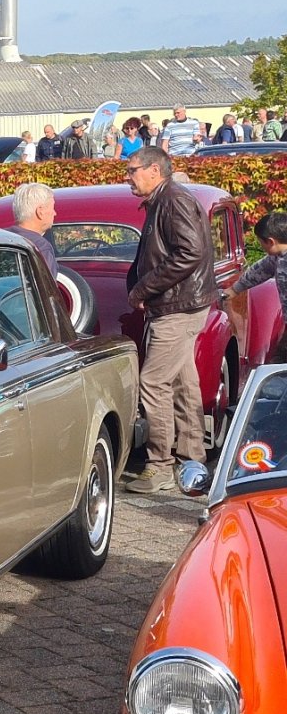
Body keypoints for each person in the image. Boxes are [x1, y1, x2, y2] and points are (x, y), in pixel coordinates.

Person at [123, 146, 214, 493]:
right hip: (179, 303)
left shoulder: (173, 199)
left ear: (154, 170)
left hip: (177, 306)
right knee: (182, 380)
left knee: (153, 381)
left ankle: (160, 465)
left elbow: (189, 252)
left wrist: (143, 288)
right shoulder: (164, 199)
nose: (128, 177)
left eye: (132, 170)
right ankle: (192, 458)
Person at [229, 211, 287, 362]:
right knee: (277, 362)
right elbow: (260, 270)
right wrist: (235, 289)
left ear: (270, 241)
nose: (261, 246)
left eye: (261, 242)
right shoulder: (278, 257)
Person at [6, 182, 57, 276]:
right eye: (52, 208)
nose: (55, 213)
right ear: (40, 212)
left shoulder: (1, 237)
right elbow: (46, 284)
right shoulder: (40, 247)